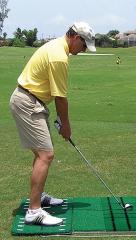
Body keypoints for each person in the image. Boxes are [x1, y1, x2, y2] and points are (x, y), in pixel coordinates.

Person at [9, 22, 96, 226]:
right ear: (76, 38)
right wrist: (65, 125)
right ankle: (34, 211)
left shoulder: (58, 47)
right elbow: (60, 98)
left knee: (41, 153)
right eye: (84, 46)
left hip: (32, 101)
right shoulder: (59, 57)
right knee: (46, 154)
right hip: (28, 103)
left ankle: (39, 198)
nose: (83, 51)